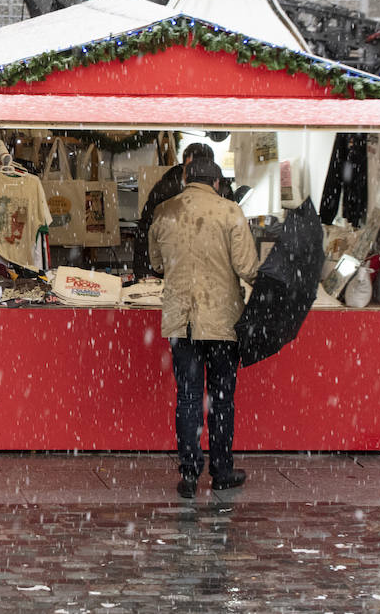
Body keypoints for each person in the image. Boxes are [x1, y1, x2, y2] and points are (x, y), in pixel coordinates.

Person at [149, 157, 259, 498]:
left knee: (188, 397)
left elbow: (156, 264)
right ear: (217, 183)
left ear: (186, 178)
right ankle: (222, 470)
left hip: (181, 321)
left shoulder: (164, 211)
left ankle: (189, 471)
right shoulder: (230, 212)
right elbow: (247, 268)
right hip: (222, 321)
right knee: (222, 398)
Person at [132, 142, 217, 278]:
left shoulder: (222, 189)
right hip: (169, 267)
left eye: (199, 169)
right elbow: (146, 229)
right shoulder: (165, 190)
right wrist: (144, 273)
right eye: (189, 168)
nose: (192, 174)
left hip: (209, 270)